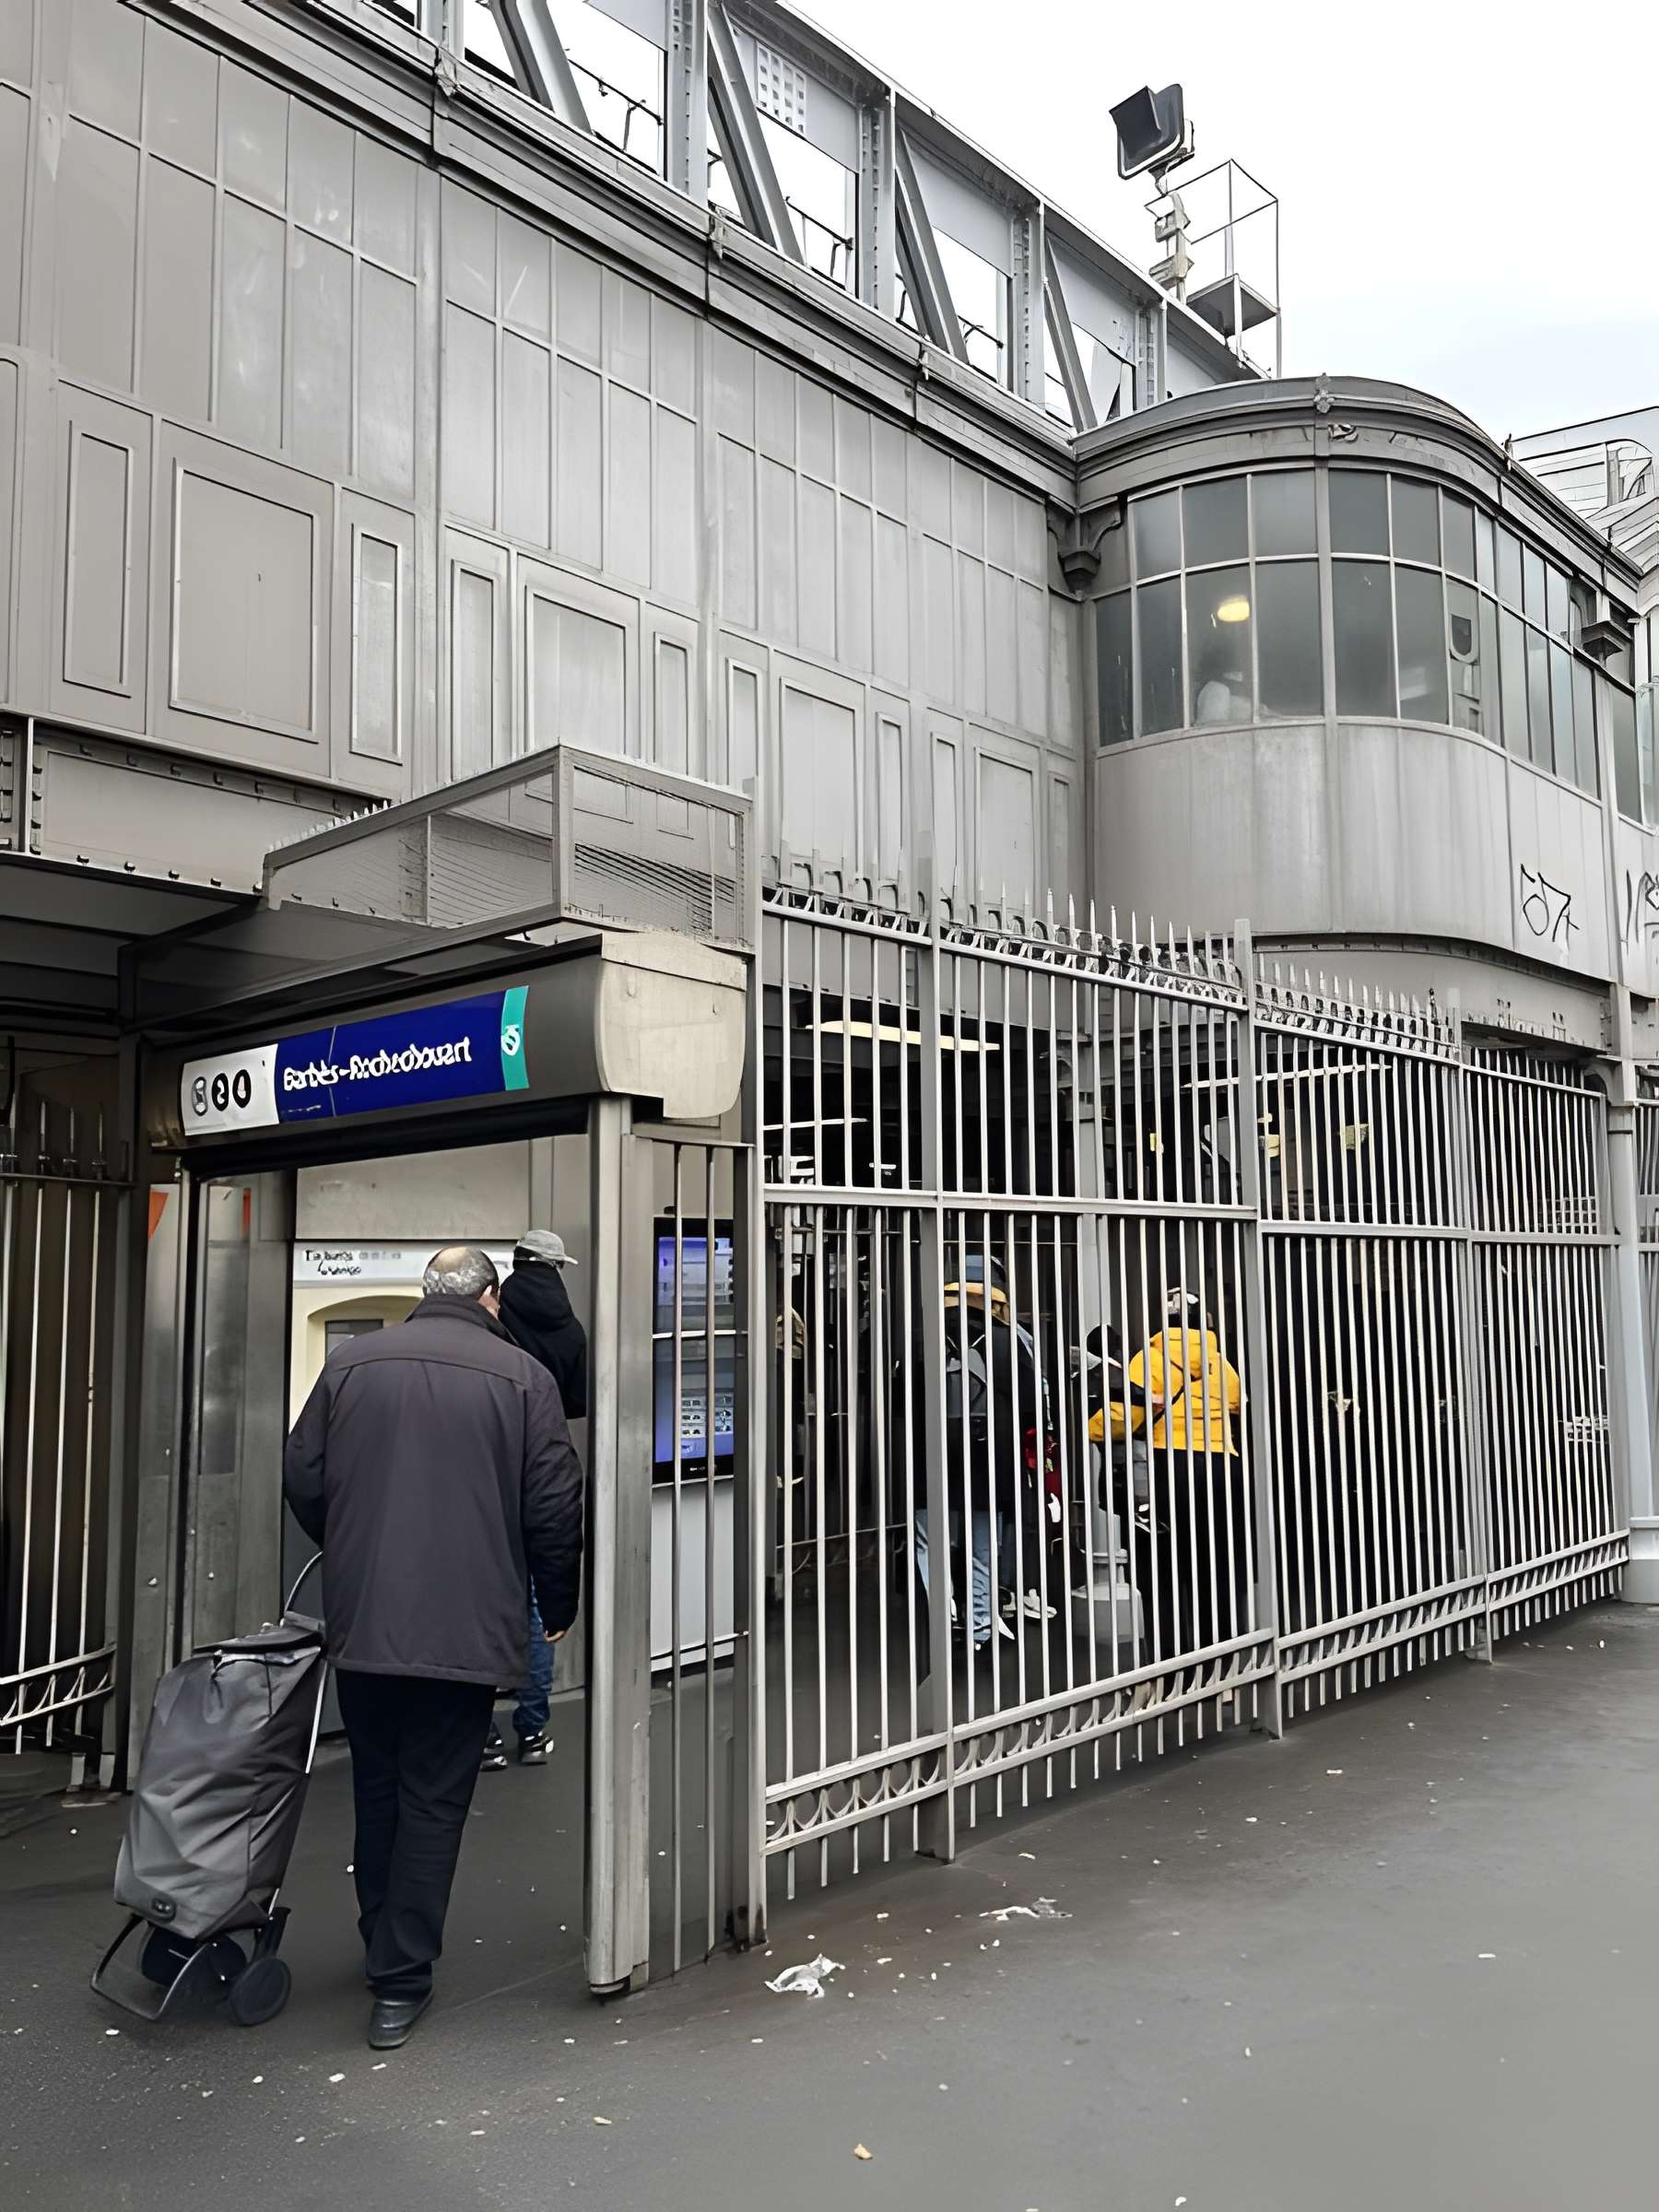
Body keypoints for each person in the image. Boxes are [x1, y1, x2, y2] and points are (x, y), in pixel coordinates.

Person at [283, 1245, 582, 2050]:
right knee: (435, 1797)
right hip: (467, 1625)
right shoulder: (524, 1379)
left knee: (378, 1785)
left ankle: (379, 1933)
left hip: (366, 1620)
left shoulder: (350, 1364)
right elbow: (555, 1503)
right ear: (490, 1298)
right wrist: (556, 1601)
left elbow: (303, 1473)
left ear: (428, 1291)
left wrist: (351, 1548)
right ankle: (400, 1977)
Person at [485, 1230, 590, 1770]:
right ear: (556, 1267)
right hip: (542, 1460)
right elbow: (578, 1399)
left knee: (480, 1601)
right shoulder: (570, 1327)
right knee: (535, 1608)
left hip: (488, 1464)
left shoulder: (493, 1316)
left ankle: (483, 1736)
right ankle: (531, 1731)